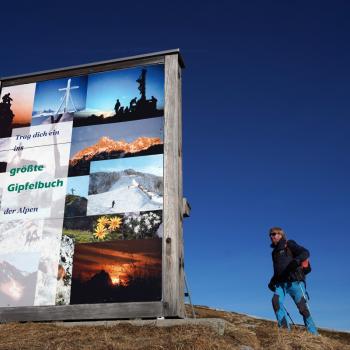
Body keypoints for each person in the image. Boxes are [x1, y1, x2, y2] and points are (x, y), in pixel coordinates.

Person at [268, 227, 318, 335]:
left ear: (281, 235)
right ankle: (285, 332)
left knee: (303, 308)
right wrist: (272, 281)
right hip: (281, 284)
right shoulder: (274, 253)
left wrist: (296, 261)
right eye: (270, 235)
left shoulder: (289, 244)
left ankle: (313, 334)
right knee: (275, 301)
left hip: (295, 281)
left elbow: (305, 252)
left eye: (274, 234)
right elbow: (278, 271)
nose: (271, 236)